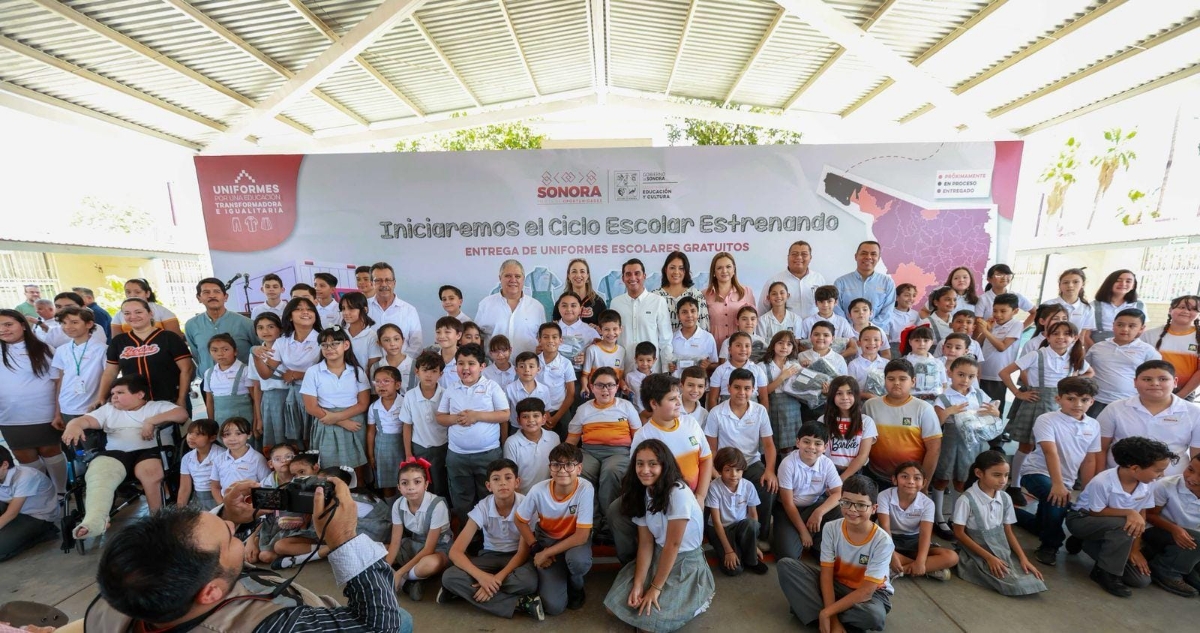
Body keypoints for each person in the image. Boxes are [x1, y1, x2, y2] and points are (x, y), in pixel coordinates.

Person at [84, 476, 413, 632]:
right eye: (228, 537)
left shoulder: (112, 601)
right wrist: (343, 539)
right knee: (401, 619)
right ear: (211, 592)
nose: (230, 528)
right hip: (303, 611)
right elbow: (376, 626)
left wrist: (229, 518)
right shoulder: (267, 628)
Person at [604, 439, 715, 632]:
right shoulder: (644, 491)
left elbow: (673, 545)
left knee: (648, 626)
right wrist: (639, 584)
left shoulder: (678, 493)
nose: (645, 470)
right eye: (640, 464)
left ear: (664, 465)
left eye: (652, 464)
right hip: (658, 555)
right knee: (612, 608)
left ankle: (697, 598)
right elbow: (646, 544)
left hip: (685, 563)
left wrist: (655, 588)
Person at [62, 375, 189, 539]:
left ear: (140, 394)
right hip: (117, 453)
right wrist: (73, 426)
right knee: (99, 473)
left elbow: (181, 413)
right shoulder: (108, 409)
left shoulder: (157, 407)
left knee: (149, 472)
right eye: (113, 393)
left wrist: (151, 421)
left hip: (151, 450)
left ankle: (157, 522)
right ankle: (94, 521)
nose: (114, 396)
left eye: (120, 392)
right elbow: (84, 420)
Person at [609, 373, 713, 564]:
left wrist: (701, 495)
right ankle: (631, 562)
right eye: (672, 399)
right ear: (654, 404)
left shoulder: (691, 423)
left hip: (692, 495)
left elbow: (706, 459)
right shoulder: (644, 436)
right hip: (659, 498)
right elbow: (642, 477)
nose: (679, 403)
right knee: (616, 510)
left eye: (678, 397)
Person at [776, 475, 894, 632]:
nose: (852, 510)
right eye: (846, 502)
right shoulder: (831, 528)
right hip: (836, 584)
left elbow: (866, 592)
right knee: (786, 565)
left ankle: (816, 612)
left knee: (873, 616)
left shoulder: (882, 541)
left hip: (871, 594)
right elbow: (826, 575)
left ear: (874, 509)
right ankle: (837, 620)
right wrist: (833, 618)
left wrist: (827, 612)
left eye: (861, 505)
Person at [1066, 437, 1176, 597]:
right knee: (1123, 524)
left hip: (1118, 529)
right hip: (1083, 520)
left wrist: (1135, 550)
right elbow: (1095, 511)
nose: (1162, 475)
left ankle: (1087, 543)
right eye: (1158, 470)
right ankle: (1104, 573)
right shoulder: (1103, 481)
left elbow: (1141, 517)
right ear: (1135, 468)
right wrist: (1129, 512)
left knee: (1141, 580)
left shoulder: (1149, 483)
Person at [1000, 320, 1092, 505]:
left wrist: (1073, 385)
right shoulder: (1037, 354)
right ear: (1047, 336)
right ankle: (1016, 485)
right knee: (1026, 445)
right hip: (1036, 402)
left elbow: (1090, 373)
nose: (1061, 337)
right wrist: (1019, 393)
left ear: (1074, 338)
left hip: (1063, 406)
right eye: (1056, 333)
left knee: (1053, 447)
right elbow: (1004, 372)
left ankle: (1051, 480)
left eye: (1067, 334)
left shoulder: (1074, 358)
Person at [439, 458, 544, 620]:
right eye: (496, 479)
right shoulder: (483, 507)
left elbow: (523, 554)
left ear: (517, 482)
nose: (502, 483)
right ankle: (519, 603)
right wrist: (482, 577)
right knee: (449, 577)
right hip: (489, 556)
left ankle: (465, 592)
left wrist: (496, 579)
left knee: (528, 582)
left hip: (517, 559)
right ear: (488, 486)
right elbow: (455, 551)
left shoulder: (526, 505)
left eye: (508, 478)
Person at [1014, 376, 1101, 565]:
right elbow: (1049, 452)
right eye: (1070, 398)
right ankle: (1050, 546)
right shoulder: (1047, 419)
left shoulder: (1093, 425)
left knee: (1045, 519)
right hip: (1037, 472)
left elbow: (1089, 460)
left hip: (1066, 480)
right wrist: (1058, 484)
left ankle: (1010, 513)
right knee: (1058, 500)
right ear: (1058, 399)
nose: (1077, 404)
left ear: (1091, 401)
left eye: (1084, 400)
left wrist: (1087, 492)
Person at [952, 450, 1047, 595]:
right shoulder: (966, 500)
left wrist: (1023, 558)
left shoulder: (1005, 498)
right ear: (979, 473)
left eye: (1006, 475)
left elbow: (1007, 531)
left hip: (1001, 549)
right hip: (976, 551)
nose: (1003, 480)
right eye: (996, 475)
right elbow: (959, 533)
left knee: (1032, 577)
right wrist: (989, 558)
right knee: (1013, 585)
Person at [516, 443, 594, 615]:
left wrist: (545, 553)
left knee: (578, 563)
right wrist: (536, 548)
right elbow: (520, 520)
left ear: (579, 468)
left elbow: (581, 537)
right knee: (554, 607)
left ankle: (576, 584)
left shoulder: (585, 488)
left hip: (574, 542)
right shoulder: (538, 490)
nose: (562, 470)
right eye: (556, 464)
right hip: (547, 540)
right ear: (550, 468)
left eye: (569, 465)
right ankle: (559, 574)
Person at [438, 343, 511, 527]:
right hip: (457, 455)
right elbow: (440, 417)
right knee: (462, 497)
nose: (465, 368)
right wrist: (457, 418)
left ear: (482, 366)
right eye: (461, 363)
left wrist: (476, 416)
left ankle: (489, 534)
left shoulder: (492, 387)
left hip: (488, 453)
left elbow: (504, 414)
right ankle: (468, 537)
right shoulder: (451, 389)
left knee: (488, 495)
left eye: (471, 363)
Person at [932, 357, 1003, 535]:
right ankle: (938, 516)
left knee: (962, 480)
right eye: (961, 375)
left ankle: (955, 517)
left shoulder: (979, 395)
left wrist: (995, 412)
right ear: (950, 374)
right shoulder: (943, 397)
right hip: (950, 443)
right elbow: (935, 423)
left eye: (971, 376)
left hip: (973, 444)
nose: (965, 380)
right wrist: (949, 411)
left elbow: (991, 414)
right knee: (942, 478)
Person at [0, 309, 67, 497]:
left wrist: (58, 412)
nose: (3, 330)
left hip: (44, 413)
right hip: (10, 417)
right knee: (25, 458)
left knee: (51, 451)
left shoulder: (44, 349)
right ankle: (44, 494)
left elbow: (58, 381)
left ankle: (61, 493)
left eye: (8, 324)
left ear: (23, 325)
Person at [705, 368, 777, 539]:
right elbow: (711, 449)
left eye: (747, 388)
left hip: (751, 463)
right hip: (724, 466)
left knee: (768, 487)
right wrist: (715, 473)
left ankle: (760, 536)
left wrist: (770, 470)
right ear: (728, 388)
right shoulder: (716, 413)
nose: (742, 392)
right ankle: (725, 536)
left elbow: (768, 445)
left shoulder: (760, 411)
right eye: (737, 387)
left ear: (753, 390)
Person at [1098, 360, 1200, 477]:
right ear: (1135, 382)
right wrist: (1100, 478)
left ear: (1175, 382)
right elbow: (1100, 449)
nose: (1155, 383)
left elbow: (1197, 455)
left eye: (1163, 379)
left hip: (1172, 484)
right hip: (1120, 482)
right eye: (1147, 379)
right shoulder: (1115, 408)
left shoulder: (1194, 412)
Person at [567, 367, 641, 518]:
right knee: (578, 471)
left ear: (617, 387)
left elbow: (638, 437)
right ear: (592, 387)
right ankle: (591, 519)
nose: (605, 389)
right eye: (600, 385)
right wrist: (563, 459)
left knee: (611, 472)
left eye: (610, 385)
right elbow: (572, 440)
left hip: (619, 453)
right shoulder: (583, 409)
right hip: (589, 452)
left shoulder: (626, 407)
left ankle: (609, 521)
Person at [98, 298, 194, 413]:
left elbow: (187, 369)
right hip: (134, 404)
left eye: (138, 312)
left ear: (150, 313)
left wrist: (181, 399)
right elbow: (110, 372)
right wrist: (101, 397)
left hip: (169, 400)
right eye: (127, 313)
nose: (133, 316)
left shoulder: (169, 337)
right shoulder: (119, 341)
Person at [862, 359, 942, 489]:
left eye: (903, 379)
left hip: (910, 482)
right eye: (891, 379)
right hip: (875, 477)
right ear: (885, 380)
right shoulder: (870, 406)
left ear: (913, 381)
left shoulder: (924, 408)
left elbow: (934, 449)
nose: (896, 383)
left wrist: (923, 484)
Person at [301, 326, 371, 473]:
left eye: (334, 344)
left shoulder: (357, 371)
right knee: (328, 469)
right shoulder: (313, 372)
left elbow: (363, 404)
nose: (329, 348)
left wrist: (339, 417)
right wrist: (340, 421)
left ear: (346, 345)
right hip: (325, 420)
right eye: (324, 345)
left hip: (354, 421)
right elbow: (311, 407)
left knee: (356, 469)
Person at [877, 461, 958, 581]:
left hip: (913, 541)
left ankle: (899, 570)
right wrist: (893, 556)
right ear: (895, 480)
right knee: (874, 551)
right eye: (904, 477)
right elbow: (885, 528)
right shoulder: (884, 496)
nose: (911, 481)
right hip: (888, 539)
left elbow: (925, 535)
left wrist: (920, 561)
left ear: (924, 483)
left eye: (917, 478)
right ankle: (930, 570)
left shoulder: (927, 503)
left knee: (952, 557)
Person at [773, 421, 842, 560]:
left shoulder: (826, 463)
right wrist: (803, 532)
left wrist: (819, 512)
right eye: (806, 441)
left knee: (839, 507)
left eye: (817, 443)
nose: (811, 447)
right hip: (789, 510)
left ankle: (817, 543)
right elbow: (788, 503)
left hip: (813, 507)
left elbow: (839, 493)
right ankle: (797, 532)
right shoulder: (788, 464)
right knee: (788, 555)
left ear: (825, 447)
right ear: (797, 442)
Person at [257, 297, 322, 446]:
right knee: (298, 442)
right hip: (293, 396)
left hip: (318, 395)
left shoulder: (322, 338)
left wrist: (298, 375)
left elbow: (331, 371)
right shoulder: (282, 341)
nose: (305, 312)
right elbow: (266, 374)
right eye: (299, 309)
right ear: (290, 316)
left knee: (316, 439)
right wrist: (256, 355)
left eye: (309, 309)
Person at [386, 458, 453, 601]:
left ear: (426, 485)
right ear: (399, 487)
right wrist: (385, 569)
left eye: (417, 482)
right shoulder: (398, 504)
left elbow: (429, 548)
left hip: (438, 548)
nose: (411, 487)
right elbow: (395, 543)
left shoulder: (437, 505)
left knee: (429, 564)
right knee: (375, 552)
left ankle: (404, 577)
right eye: (405, 483)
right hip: (413, 544)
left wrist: (399, 573)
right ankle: (407, 584)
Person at [1086, 308, 1161, 417]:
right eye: (1120, 325)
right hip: (1096, 400)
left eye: (1132, 326)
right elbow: (1085, 371)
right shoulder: (1097, 347)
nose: (1125, 329)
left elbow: (1156, 376)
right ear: (1113, 325)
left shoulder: (1148, 351)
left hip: (1129, 402)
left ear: (1142, 328)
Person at [705, 447, 768, 576]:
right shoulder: (714, 488)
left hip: (740, 527)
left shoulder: (748, 486)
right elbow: (716, 522)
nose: (734, 475)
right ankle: (732, 549)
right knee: (734, 570)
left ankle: (752, 560)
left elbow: (753, 515)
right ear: (719, 470)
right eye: (728, 470)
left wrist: (753, 544)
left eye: (738, 470)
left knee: (752, 524)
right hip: (721, 529)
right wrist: (728, 551)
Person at [1143, 452, 1200, 597]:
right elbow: (1148, 515)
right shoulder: (1166, 485)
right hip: (1158, 531)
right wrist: (1174, 529)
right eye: (1191, 469)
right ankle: (1166, 569)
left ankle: (1182, 566)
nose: (1192, 478)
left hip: (1189, 542)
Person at [185, 278, 258, 382]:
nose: (212, 295)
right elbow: (197, 356)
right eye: (206, 292)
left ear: (225, 297)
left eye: (217, 292)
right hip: (208, 384)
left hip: (242, 383)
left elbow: (260, 351)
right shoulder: (191, 325)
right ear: (199, 298)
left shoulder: (246, 323)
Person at [49, 306, 106, 431]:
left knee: (93, 447)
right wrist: (57, 412)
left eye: (74, 322)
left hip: (91, 407)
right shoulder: (61, 350)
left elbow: (108, 377)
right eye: (64, 323)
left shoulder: (102, 349)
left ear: (89, 324)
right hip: (66, 407)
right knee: (75, 446)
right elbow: (60, 381)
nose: (68, 327)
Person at [611, 258, 673, 373]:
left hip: (652, 372)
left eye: (637, 273)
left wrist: (665, 371)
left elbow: (666, 339)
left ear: (644, 276)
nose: (633, 278)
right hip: (624, 370)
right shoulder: (616, 303)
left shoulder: (658, 302)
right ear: (623, 278)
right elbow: (612, 338)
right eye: (628, 274)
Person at [400, 351, 448, 498]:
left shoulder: (446, 394)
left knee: (442, 485)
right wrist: (408, 453)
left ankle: (443, 515)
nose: (429, 375)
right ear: (417, 371)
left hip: (442, 447)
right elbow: (407, 425)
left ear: (440, 374)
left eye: (434, 371)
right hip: (419, 448)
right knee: (422, 486)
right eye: (425, 370)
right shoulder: (410, 396)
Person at [474, 260, 545, 356]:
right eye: (508, 276)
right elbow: (478, 338)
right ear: (500, 278)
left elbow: (543, 338)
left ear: (523, 279)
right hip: (494, 368)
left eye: (517, 276)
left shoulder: (537, 307)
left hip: (527, 368)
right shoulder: (486, 304)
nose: (513, 280)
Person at [0, 444, 59, 562]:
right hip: (12, 508)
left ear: (4, 465)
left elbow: (12, 513)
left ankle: (45, 532)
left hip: (36, 516)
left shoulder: (25, 477)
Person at [1142, 294, 1200, 399]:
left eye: (1193, 309)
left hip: (1184, 393)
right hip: (1151, 389)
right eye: (1181, 307)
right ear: (1170, 310)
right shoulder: (1149, 335)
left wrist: (1180, 396)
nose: (1186, 311)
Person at [820, 375, 877, 481]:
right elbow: (820, 451)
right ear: (832, 396)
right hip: (827, 471)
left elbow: (863, 455)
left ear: (856, 395)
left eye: (849, 393)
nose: (845, 397)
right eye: (839, 393)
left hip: (856, 472)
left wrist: (842, 478)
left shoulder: (866, 421)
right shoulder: (823, 420)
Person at [834, 241, 896, 333]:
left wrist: (870, 329)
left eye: (873, 254)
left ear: (878, 258)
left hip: (876, 336)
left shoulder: (887, 282)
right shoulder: (841, 282)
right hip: (847, 334)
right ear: (856, 256)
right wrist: (850, 329)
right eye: (864, 253)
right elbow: (837, 309)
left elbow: (888, 311)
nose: (868, 257)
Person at [976, 292, 1024, 407]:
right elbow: (977, 344)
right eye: (995, 310)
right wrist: (987, 329)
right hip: (981, 373)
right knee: (979, 407)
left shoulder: (1016, 325)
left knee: (993, 410)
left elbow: (1002, 347)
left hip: (997, 377)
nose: (998, 314)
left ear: (1015, 311)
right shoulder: (993, 324)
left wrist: (985, 331)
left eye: (1003, 311)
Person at [366, 262, 424, 357]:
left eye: (388, 280)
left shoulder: (409, 310)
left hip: (402, 369)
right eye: (378, 280)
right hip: (370, 368)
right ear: (371, 283)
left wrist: (399, 364)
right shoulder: (363, 308)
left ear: (394, 283)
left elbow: (417, 344)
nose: (384, 284)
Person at [504, 398, 559, 494]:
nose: (531, 420)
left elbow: (557, 469)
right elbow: (510, 475)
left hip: (549, 494)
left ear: (544, 418)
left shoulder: (554, 438)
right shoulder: (512, 443)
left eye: (536, 416)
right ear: (518, 420)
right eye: (525, 417)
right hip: (522, 496)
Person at [249, 312, 288, 448]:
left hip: (289, 396)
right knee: (275, 441)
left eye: (271, 326)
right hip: (269, 400)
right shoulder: (255, 353)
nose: (265, 331)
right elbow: (257, 386)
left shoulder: (287, 347)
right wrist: (259, 417)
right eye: (260, 328)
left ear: (280, 329)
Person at [759, 240, 825, 320]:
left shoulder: (818, 279)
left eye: (804, 254)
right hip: (785, 330)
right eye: (794, 254)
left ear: (810, 258)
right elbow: (763, 310)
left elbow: (826, 305)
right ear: (788, 257)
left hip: (814, 329)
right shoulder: (775, 281)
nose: (799, 257)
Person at [704, 252, 756, 351]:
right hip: (713, 349)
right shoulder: (704, 295)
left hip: (740, 352)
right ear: (714, 272)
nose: (724, 271)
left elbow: (752, 324)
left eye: (728, 267)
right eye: (719, 268)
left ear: (734, 269)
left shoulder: (747, 292)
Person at [368, 365, 405, 498]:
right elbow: (371, 432)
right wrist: (371, 455)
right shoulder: (374, 407)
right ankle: (390, 512)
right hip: (381, 449)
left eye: (386, 381)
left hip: (401, 446)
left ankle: (403, 509)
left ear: (397, 385)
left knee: (403, 480)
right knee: (386, 482)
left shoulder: (405, 403)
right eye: (377, 382)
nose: (381, 385)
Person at [535, 322, 577, 441]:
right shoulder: (533, 362)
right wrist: (544, 412)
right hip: (539, 410)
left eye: (554, 337)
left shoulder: (566, 363)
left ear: (560, 340)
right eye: (545, 337)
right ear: (539, 340)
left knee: (565, 441)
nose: (550, 340)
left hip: (561, 410)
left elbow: (571, 394)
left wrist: (556, 417)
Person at [202, 333, 255, 424]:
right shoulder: (209, 373)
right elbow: (209, 401)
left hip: (245, 421)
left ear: (235, 351)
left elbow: (255, 398)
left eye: (225, 349)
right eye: (214, 350)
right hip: (220, 421)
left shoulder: (245, 370)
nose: (220, 354)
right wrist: (211, 423)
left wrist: (257, 421)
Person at [1085, 270, 1146, 346]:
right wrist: (1096, 350)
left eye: (1128, 281)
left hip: (1128, 348)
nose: (1123, 284)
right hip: (1098, 346)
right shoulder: (1093, 305)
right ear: (1109, 283)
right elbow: (1086, 335)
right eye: (1118, 280)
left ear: (1133, 286)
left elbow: (1141, 331)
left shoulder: (1139, 305)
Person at [654, 251, 710, 332]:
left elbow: (704, 327)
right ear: (666, 269)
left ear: (686, 271)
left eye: (681, 268)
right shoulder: (655, 296)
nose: (676, 272)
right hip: (662, 344)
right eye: (672, 267)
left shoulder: (696, 295)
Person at [176, 419, 224, 511]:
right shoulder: (187, 458)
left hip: (219, 497)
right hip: (198, 499)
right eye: (190, 433)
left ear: (212, 438)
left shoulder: (221, 455)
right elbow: (185, 488)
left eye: (198, 434)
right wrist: (179, 514)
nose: (191, 437)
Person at [112, 278, 183, 337]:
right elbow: (116, 341)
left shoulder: (163, 311)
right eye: (128, 292)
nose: (132, 295)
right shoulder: (118, 315)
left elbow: (175, 338)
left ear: (147, 294)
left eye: (138, 292)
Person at [668, 297, 717, 378]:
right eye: (684, 312)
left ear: (698, 313)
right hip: (676, 385)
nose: (689, 315)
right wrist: (670, 367)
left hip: (699, 386)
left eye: (693, 311)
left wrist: (708, 365)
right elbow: (669, 362)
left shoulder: (707, 338)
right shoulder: (672, 338)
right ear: (678, 316)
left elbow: (715, 364)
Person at [553, 258, 607, 326]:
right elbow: (555, 328)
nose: (578, 275)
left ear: (587, 276)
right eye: (574, 271)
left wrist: (597, 328)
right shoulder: (561, 302)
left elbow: (605, 328)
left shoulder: (598, 302)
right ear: (569, 276)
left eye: (582, 271)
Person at [581, 310, 625, 392]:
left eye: (615, 329)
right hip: (595, 394)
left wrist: (624, 387)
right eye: (606, 329)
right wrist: (584, 387)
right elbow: (585, 375)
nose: (611, 333)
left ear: (620, 329)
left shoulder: (622, 351)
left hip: (614, 395)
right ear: (600, 330)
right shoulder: (592, 350)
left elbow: (620, 377)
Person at [1043, 268, 1095, 334]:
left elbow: (1082, 335)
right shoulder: (1047, 305)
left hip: (1074, 343)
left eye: (1075, 282)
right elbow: (1042, 330)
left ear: (1083, 284)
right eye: (1066, 282)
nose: (1070, 285)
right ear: (1060, 285)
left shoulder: (1088, 308)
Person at [340, 291, 382, 374]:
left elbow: (372, 368)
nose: (346, 312)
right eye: (343, 308)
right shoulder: (341, 334)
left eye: (351, 308)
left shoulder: (372, 336)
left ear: (364, 309)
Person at [848, 326, 888, 399]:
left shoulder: (887, 363)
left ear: (881, 343)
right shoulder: (853, 365)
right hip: (860, 404)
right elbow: (850, 389)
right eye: (866, 339)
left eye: (876, 339)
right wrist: (867, 396)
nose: (871, 343)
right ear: (859, 343)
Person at [433, 317, 463, 389]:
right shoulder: (432, 359)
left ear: (458, 335)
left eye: (447, 332)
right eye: (438, 332)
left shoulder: (465, 360)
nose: (442, 336)